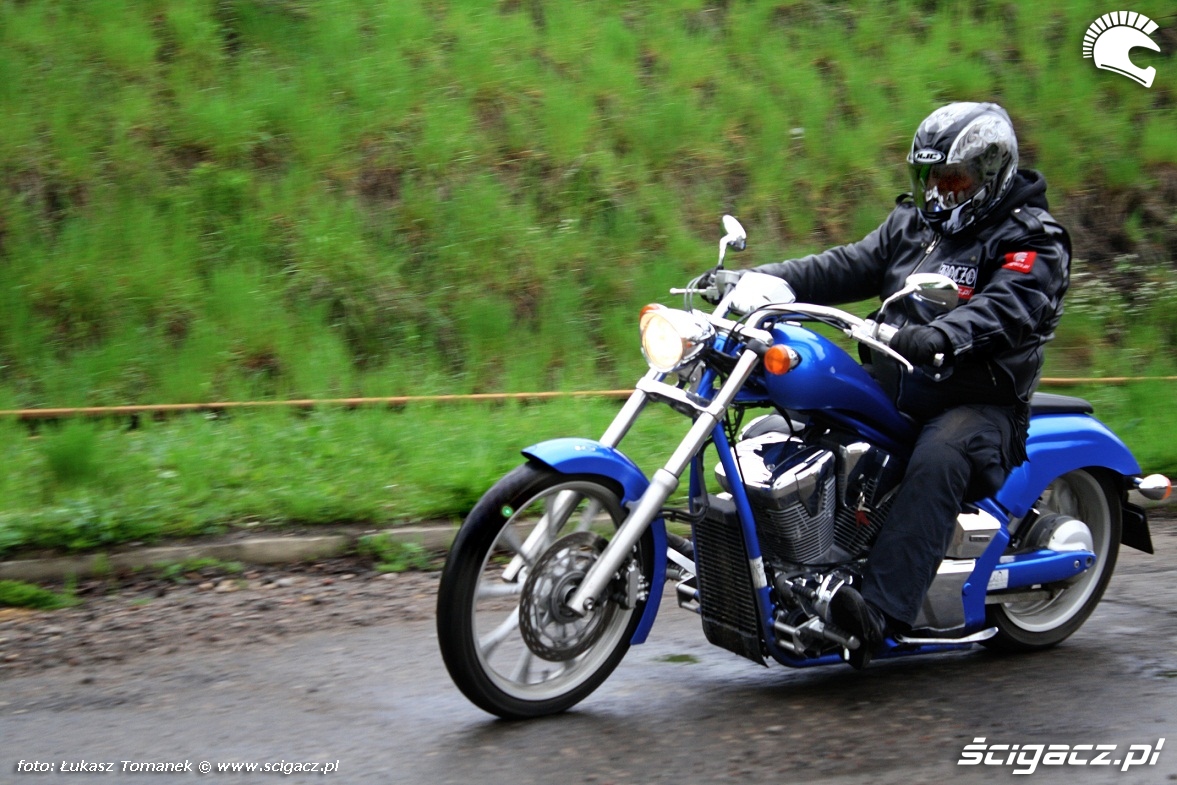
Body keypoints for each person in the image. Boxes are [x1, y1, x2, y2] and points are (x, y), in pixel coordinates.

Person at [746, 102, 1071, 668]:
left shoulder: (1031, 240)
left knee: (940, 456)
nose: (939, 194)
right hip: (894, 385)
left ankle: (879, 613)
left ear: (990, 175)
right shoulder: (914, 225)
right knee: (779, 430)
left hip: (977, 402)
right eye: (929, 179)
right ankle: (781, 568)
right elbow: (845, 265)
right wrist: (763, 280)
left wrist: (942, 334)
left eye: (953, 181)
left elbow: (1008, 306)